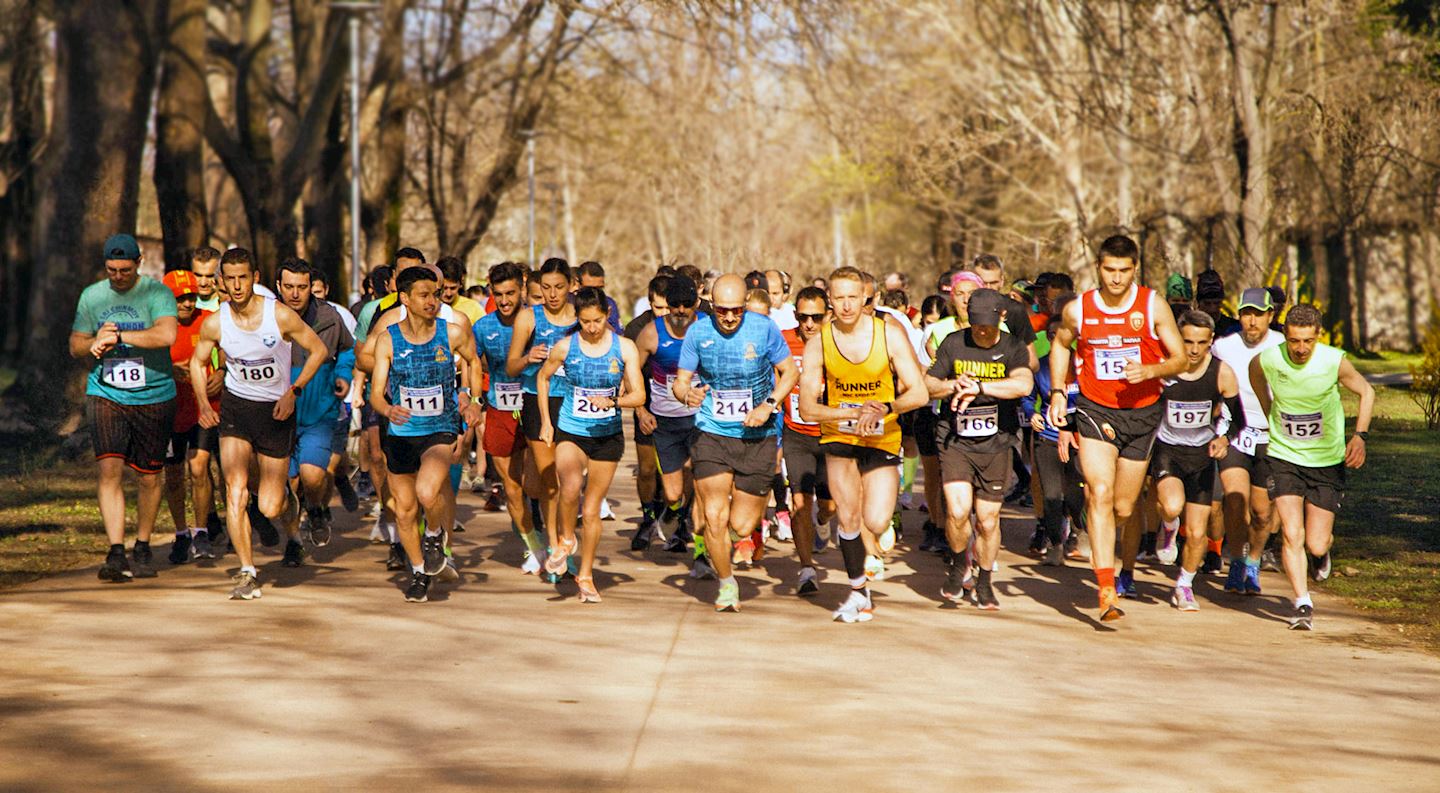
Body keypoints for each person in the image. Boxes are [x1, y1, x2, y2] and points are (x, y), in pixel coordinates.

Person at [1046, 235, 1187, 621]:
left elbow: (1181, 360)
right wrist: (1058, 392)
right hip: (1096, 409)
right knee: (1100, 491)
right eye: (1109, 270)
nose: (1116, 279)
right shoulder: (1080, 310)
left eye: (1124, 271)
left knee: (1123, 506)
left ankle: (1109, 535)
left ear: (1135, 269)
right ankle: (1106, 589)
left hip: (1141, 414)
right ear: (1098, 268)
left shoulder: (1151, 305)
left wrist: (1152, 370)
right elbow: (1061, 344)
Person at [191, 247, 329, 600]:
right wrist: (204, 404)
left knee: (268, 505)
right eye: (230, 279)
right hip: (237, 410)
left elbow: (318, 351)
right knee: (234, 490)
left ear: (254, 278)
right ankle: (247, 571)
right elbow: (197, 362)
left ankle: (285, 499)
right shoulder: (215, 322)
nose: (236, 286)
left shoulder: (279, 316)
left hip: (275, 412)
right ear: (222, 281)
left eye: (243, 278)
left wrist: (293, 391)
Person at [799, 267, 928, 622]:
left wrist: (886, 408)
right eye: (838, 298)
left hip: (882, 435)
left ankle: (870, 560)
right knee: (849, 514)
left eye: (852, 297)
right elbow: (808, 408)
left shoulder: (889, 335)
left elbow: (919, 392)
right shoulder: (819, 342)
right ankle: (858, 592)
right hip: (840, 434)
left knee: (876, 518)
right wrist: (846, 413)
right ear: (830, 300)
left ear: (865, 298)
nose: (845, 305)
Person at [672, 273, 799, 612]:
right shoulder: (698, 332)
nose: (729, 318)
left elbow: (790, 372)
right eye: (722, 310)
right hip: (712, 432)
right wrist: (688, 394)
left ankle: (717, 545)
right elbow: (680, 383)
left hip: (758, 435)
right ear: (711, 305)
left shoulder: (764, 329)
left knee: (741, 525)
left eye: (736, 311)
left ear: (745, 306)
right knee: (714, 515)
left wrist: (768, 405)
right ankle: (727, 583)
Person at [1250, 304, 1374, 630]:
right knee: (1292, 532)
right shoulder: (1270, 358)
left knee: (1316, 542)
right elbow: (1255, 375)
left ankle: (1321, 554)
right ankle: (1302, 602)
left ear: (1317, 336)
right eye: (1294, 341)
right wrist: (1270, 412)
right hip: (1284, 455)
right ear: (1286, 336)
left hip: (1326, 461)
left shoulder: (1333, 361)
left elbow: (1367, 391)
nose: (1301, 349)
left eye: (1307, 341)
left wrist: (1359, 436)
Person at [368, 266, 485, 602]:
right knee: (404, 509)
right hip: (402, 431)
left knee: (426, 491)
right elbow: (377, 391)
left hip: (441, 427)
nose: (432, 300)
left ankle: (434, 534)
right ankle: (419, 572)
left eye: (435, 294)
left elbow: (473, 361)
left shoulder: (452, 333)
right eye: (424, 294)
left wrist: (473, 400)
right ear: (405, 298)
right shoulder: (388, 339)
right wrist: (387, 409)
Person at [70, 234, 180, 581]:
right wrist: (93, 343)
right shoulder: (93, 296)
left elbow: (166, 336)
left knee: (149, 476)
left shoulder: (157, 293)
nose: (118, 276)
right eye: (111, 270)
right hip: (107, 393)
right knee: (109, 470)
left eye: (125, 270)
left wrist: (119, 337)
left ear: (139, 263)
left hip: (154, 394)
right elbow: (75, 344)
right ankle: (116, 551)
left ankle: (143, 544)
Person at [923, 289, 1034, 609]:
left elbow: (1024, 384)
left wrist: (981, 387)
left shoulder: (1012, 347)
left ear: (1001, 317)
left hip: (997, 442)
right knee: (957, 513)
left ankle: (984, 581)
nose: (981, 330)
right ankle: (960, 565)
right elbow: (929, 384)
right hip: (955, 439)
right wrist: (952, 385)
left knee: (987, 520)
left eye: (987, 323)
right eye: (976, 323)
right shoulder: (954, 343)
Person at [537, 287, 646, 602]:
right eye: (585, 321)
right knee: (569, 487)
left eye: (597, 320)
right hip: (571, 429)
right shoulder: (565, 347)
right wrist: (546, 420)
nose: (592, 327)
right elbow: (542, 378)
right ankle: (567, 540)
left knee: (592, 508)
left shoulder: (624, 349)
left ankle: (585, 574)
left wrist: (613, 400)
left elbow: (639, 395)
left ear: (607, 315)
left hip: (606, 436)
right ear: (578, 319)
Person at [1146, 311, 1245, 611]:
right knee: (1173, 505)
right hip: (1169, 451)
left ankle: (1184, 585)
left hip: (1201, 456)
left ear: (1210, 342)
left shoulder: (1221, 373)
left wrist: (1224, 439)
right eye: (1187, 341)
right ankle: (1168, 525)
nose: (1192, 349)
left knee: (1199, 533)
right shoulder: (1166, 371)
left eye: (1201, 343)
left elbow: (1238, 419)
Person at [275, 259, 355, 547]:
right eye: (289, 287)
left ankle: (316, 508)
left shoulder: (329, 316)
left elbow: (347, 350)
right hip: (277, 415)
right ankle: (294, 542)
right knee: (289, 484)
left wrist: (343, 374)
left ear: (312, 288)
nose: (295, 294)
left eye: (302, 287)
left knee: (311, 477)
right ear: (278, 287)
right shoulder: (266, 317)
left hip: (319, 411)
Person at [474, 262, 547, 573]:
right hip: (500, 408)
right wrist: (475, 398)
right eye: (499, 294)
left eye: (511, 293)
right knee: (511, 485)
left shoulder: (538, 322)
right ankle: (535, 547)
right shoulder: (483, 327)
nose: (505, 300)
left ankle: (552, 534)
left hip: (533, 404)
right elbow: (474, 363)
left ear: (522, 290)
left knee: (537, 482)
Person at [1211, 287, 1285, 590]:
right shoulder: (1223, 346)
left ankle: (1254, 560)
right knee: (1234, 500)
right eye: (1246, 314)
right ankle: (1237, 561)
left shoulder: (1283, 345)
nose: (1252, 321)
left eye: (1258, 314)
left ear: (1270, 315)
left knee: (1261, 512)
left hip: (1270, 437)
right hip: (1235, 434)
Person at [506, 258, 578, 568]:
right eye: (545, 288)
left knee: (570, 482)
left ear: (572, 286)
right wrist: (527, 358)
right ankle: (555, 548)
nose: (551, 294)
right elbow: (510, 366)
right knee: (551, 484)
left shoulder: (582, 317)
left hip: (576, 402)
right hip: (538, 401)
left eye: (559, 287)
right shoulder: (528, 318)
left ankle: (566, 537)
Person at [635, 276, 709, 558]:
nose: (680, 310)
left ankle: (700, 550)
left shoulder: (707, 327)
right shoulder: (651, 334)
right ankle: (675, 511)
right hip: (666, 421)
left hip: (702, 419)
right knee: (673, 492)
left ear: (696, 304)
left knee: (700, 479)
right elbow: (630, 375)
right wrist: (641, 410)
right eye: (674, 305)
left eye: (686, 305)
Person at [161, 270, 224, 564]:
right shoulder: (159, 325)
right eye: (179, 298)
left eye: (190, 297)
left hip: (204, 407)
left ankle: (201, 532)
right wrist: (168, 370)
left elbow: (224, 351)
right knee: (173, 477)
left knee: (199, 468)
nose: (186, 303)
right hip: (170, 411)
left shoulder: (207, 320)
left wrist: (221, 373)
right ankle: (181, 533)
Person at [779, 287, 835, 595]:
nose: (809, 324)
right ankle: (806, 569)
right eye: (803, 317)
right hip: (796, 434)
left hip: (831, 437)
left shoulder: (837, 342)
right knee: (800, 504)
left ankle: (823, 523)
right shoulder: (784, 341)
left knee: (829, 505)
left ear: (827, 315)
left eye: (816, 317)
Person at [1022, 299, 1085, 566]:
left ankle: (1079, 533)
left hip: (1079, 441)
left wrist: (1073, 428)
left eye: (1063, 334)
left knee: (1074, 495)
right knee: (1050, 495)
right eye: (1051, 335)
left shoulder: (1084, 367)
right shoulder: (1041, 367)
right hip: (1047, 437)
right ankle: (1056, 544)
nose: (1057, 339)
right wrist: (1032, 413)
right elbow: (1027, 397)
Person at [625, 273, 672, 547]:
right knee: (645, 470)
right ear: (649, 302)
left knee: (673, 472)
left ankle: (674, 518)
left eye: (668, 307)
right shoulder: (635, 329)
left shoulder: (685, 326)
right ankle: (647, 519)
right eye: (658, 308)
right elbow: (629, 377)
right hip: (646, 405)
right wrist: (641, 411)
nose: (664, 314)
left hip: (677, 409)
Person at [575, 260, 623, 334]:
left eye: (599, 289)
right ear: (578, 285)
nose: (594, 292)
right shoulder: (569, 303)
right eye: (589, 289)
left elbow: (618, 335)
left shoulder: (609, 303)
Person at [437, 256, 486, 326]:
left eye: (453, 288)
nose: (448, 294)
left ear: (461, 284)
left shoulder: (474, 308)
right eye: (444, 288)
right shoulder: (428, 307)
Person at [190, 246, 223, 311]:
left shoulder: (227, 303)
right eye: (198, 275)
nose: (203, 283)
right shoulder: (182, 304)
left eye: (210, 276)